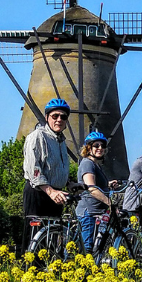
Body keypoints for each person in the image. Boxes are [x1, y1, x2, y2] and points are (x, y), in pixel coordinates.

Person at [22, 99, 73, 246]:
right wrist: (50, 191)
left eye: (63, 117)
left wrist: (69, 183)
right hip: (39, 193)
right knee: (35, 238)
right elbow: (34, 169)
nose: (59, 120)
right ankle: (30, 268)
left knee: (51, 239)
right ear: (46, 117)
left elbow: (54, 168)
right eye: (55, 116)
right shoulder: (38, 136)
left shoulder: (61, 141)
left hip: (56, 194)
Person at [76, 131, 120, 251]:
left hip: (96, 212)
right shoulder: (87, 164)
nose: (100, 148)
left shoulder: (95, 165)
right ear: (88, 148)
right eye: (96, 145)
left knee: (95, 248)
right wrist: (110, 203)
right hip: (89, 212)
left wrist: (108, 185)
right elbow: (91, 188)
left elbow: (96, 184)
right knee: (87, 250)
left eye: (103, 146)